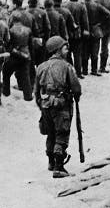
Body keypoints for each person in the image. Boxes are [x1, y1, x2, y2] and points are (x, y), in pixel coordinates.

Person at [34, 36, 82, 179]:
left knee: (51, 133)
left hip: (45, 105)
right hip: (61, 105)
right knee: (61, 133)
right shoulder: (66, 66)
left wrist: (41, 105)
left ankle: (50, 162)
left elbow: (36, 91)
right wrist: (76, 96)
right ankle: (58, 167)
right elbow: (76, 87)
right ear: (58, 50)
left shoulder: (41, 67)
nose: (67, 50)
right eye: (65, 47)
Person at [3, 11, 33, 101]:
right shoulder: (28, 30)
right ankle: (28, 96)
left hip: (14, 55)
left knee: (6, 73)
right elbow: (31, 45)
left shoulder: (11, 30)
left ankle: (6, 92)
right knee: (25, 75)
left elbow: (9, 44)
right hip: (25, 55)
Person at [82, 0, 110, 76]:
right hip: (95, 29)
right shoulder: (97, 5)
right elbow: (108, 13)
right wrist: (100, 22)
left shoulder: (81, 5)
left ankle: (85, 70)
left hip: (85, 31)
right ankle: (94, 70)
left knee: (85, 51)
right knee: (95, 52)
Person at [63, 0, 89, 78]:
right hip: (78, 33)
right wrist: (86, 31)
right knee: (78, 54)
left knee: (68, 54)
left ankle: (70, 72)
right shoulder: (81, 6)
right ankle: (78, 73)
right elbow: (85, 21)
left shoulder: (64, 5)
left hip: (67, 34)